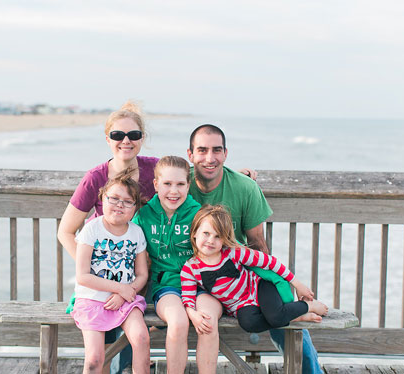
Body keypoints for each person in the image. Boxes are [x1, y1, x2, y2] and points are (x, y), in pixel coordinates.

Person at [186, 124, 324, 374]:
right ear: (190, 154)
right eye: (202, 150)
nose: (210, 158)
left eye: (217, 150)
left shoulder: (245, 188)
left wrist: (283, 288)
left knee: (282, 316)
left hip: (242, 279)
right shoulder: (179, 186)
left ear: (225, 154)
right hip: (195, 280)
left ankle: (310, 369)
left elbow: (259, 246)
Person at [58, 101, 157, 373]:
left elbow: (193, 173)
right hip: (101, 280)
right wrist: (96, 275)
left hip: (140, 276)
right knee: (101, 353)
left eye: (134, 135)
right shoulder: (96, 177)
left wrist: (239, 174)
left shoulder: (155, 171)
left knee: (137, 340)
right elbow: (66, 231)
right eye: (117, 135)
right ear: (107, 139)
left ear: (142, 138)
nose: (126, 141)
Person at [181, 205, 328, 333]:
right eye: (206, 233)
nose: (210, 241)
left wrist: (298, 284)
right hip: (238, 305)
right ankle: (295, 317)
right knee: (249, 324)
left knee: (275, 316)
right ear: (194, 233)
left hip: (259, 287)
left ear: (224, 239)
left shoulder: (232, 252)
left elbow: (269, 262)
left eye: (217, 236)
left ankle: (308, 306)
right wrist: (193, 314)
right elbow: (188, 298)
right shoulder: (191, 268)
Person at [133, 156, 212, 373]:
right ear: (156, 185)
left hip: (200, 285)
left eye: (180, 184)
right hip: (166, 285)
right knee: (178, 322)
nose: (173, 191)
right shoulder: (144, 215)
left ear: (189, 185)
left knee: (208, 321)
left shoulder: (199, 214)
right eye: (167, 184)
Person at [72, 172, 150, 374]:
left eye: (127, 202)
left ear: (135, 208)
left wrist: (123, 293)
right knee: (94, 360)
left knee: (141, 338)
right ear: (102, 198)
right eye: (114, 198)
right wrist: (119, 288)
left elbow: (141, 274)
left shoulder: (136, 232)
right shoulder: (91, 229)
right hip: (92, 299)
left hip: (125, 300)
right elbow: (83, 276)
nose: (119, 205)